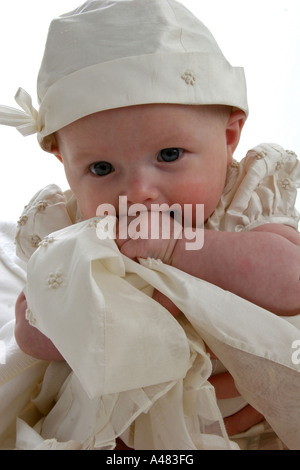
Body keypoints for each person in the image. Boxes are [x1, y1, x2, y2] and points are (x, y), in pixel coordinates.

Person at [1, 0, 300, 450]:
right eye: (102, 168)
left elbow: (292, 280)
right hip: (108, 428)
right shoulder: (72, 229)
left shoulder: (241, 203)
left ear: (228, 137)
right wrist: (72, 307)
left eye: (168, 156)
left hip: (251, 422)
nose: (138, 192)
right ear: (64, 163)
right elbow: (29, 331)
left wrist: (178, 247)